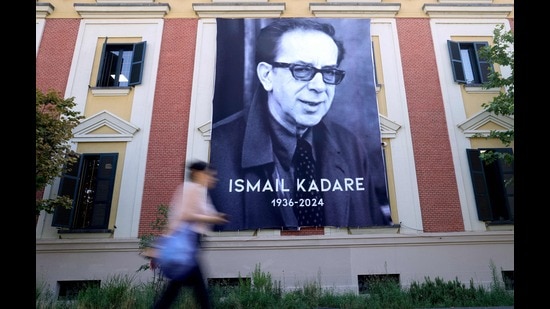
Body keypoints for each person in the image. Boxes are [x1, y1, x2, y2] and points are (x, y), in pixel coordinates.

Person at [209, 18, 392, 231]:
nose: (319, 86)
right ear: (267, 76)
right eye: (302, 70)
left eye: (328, 72)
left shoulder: (350, 147)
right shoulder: (215, 150)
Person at [153, 160, 228, 309]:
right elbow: (185, 215)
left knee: (175, 290)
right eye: (209, 175)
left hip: (190, 242)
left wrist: (216, 217)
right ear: (198, 174)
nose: (212, 178)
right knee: (199, 290)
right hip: (187, 242)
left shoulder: (198, 190)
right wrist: (214, 218)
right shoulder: (191, 189)